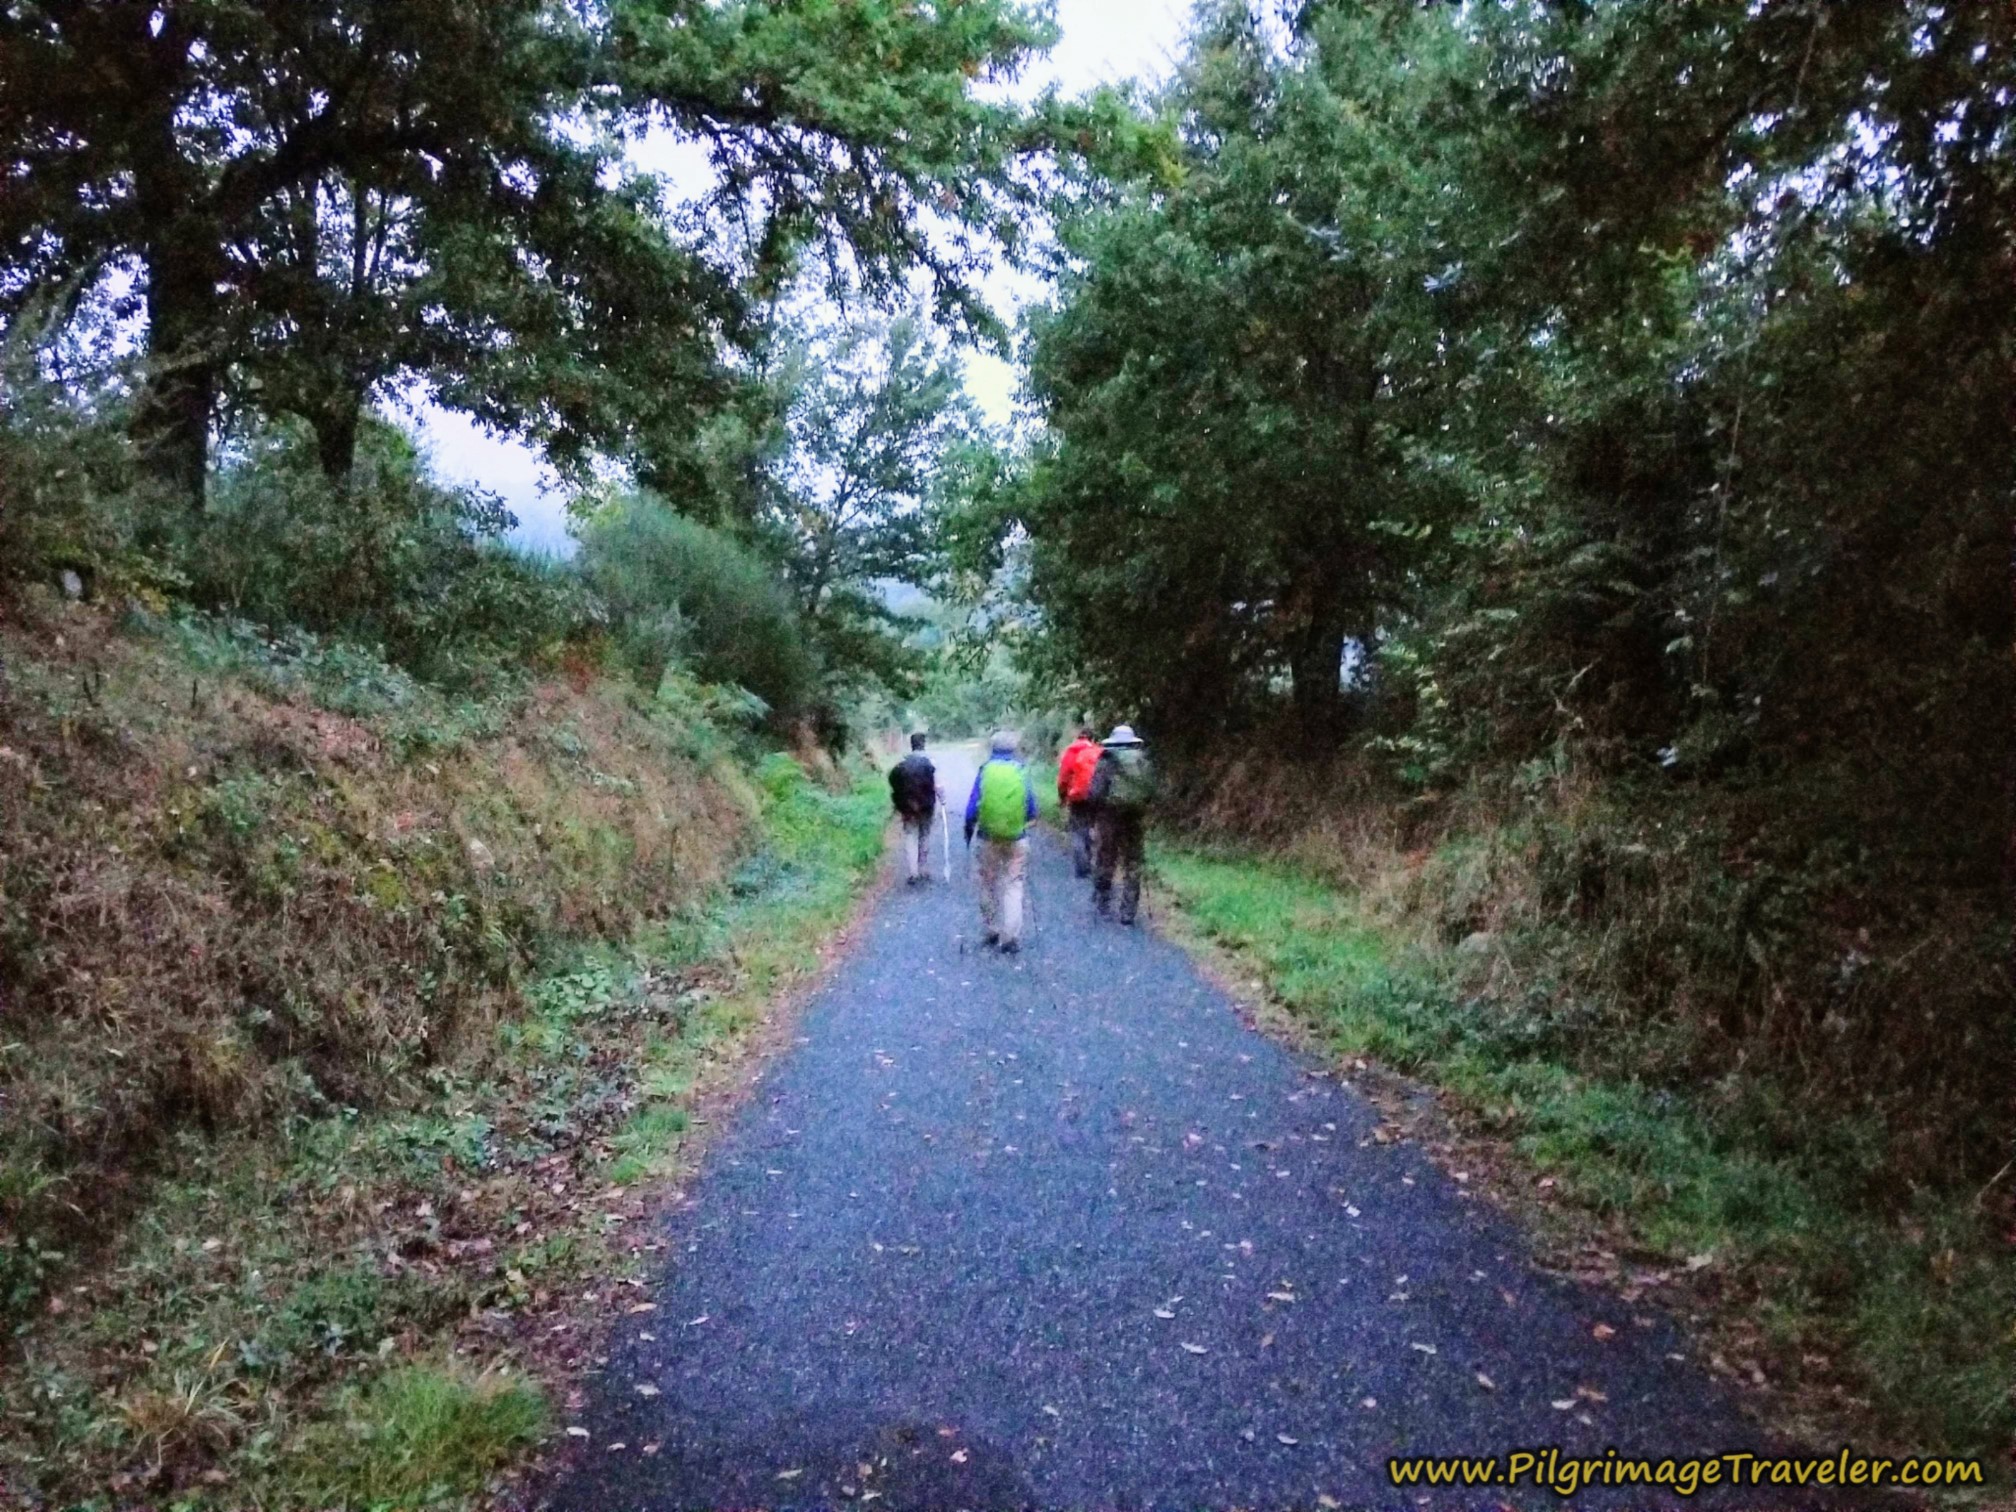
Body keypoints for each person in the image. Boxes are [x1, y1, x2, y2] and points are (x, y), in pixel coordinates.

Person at [964, 730, 1038, 952]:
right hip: (1017, 838)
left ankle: (992, 929)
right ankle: (1010, 937)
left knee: (987, 883)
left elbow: (972, 806)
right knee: (1014, 884)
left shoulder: (985, 770)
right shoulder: (1021, 771)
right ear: (1013, 749)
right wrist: (1025, 823)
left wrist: (969, 830)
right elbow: (1032, 808)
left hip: (987, 838)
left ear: (992, 748)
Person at [1089, 724, 1156, 925]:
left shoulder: (1107, 759)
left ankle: (1103, 900)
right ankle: (1128, 911)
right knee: (1133, 861)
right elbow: (1151, 790)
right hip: (1135, 817)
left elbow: (1096, 792)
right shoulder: (1142, 761)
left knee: (1106, 857)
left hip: (1110, 816)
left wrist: (1095, 812)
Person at [887, 732, 942, 885]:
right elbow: (937, 785)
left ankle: (913, 872)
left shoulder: (903, 762)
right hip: (926, 805)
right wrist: (942, 798)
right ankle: (923, 868)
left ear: (912, 744)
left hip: (908, 806)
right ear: (923, 743)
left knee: (911, 835)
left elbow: (894, 781)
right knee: (924, 835)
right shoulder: (930, 762)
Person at [1056, 726, 1102, 879]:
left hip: (1076, 796)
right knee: (1091, 825)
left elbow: (1063, 778)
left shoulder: (1071, 751)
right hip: (1096, 795)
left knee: (1077, 830)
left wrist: (1062, 797)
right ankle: (1091, 860)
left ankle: (1082, 865)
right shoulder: (1098, 751)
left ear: (1078, 737)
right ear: (1092, 738)